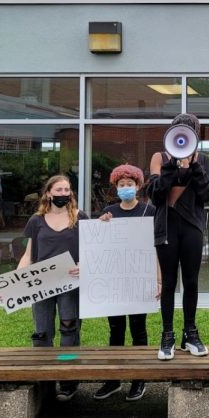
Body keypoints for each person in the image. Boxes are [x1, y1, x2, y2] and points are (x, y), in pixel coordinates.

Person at [148, 113, 209, 360]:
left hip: (192, 228)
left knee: (191, 281)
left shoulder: (204, 160)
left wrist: (194, 166)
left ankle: (190, 332)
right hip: (166, 227)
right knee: (168, 283)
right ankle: (167, 335)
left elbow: (208, 193)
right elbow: (155, 195)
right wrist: (171, 167)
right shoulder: (160, 157)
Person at [17, 174, 87, 402]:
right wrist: (14, 284)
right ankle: (43, 382)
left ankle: (67, 380)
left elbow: (94, 250)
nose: (63, 194)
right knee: (42, 332)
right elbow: (28, 255)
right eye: (59, 190)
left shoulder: (80, 218)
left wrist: (84, 266)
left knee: (69, 329)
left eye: (67, 190)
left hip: (70, 284)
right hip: (42, 284)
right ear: (48, 193)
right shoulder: (36, 221)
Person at [94, 163, 158, 402]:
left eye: (129, 184)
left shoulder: (149, 211)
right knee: (115, 330)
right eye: (121, 185)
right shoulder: (109, 212)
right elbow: (100, 244)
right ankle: (113, 379)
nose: (125, 188)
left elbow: (156, 246)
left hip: (139, 279)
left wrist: (158, 280)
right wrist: (101, 226)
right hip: (114, 281)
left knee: (138, 330)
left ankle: (139, 378)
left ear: (138, 186)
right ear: (116, 187)